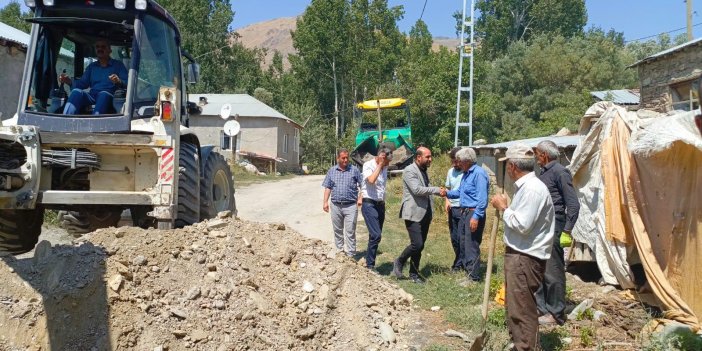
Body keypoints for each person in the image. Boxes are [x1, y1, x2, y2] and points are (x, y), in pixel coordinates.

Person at [490, 143, 555, 351]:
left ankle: (527, 347)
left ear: (512, 166)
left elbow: (522, 225)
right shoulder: (527, 188)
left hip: (525, 257)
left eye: (506, 165)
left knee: (522, 310)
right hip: (520, 255)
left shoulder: (533, 190)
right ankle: (521, 344)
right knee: (516, 306)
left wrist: (504, 208)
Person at [534, 140, 580, 326]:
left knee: (553, 270)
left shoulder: (560, 172)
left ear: (544, 155)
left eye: (537, 154)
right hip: (542, 226)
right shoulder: (545, 172)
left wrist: (567, 230)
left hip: (555, 225)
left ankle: (556, 313)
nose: (535, 157)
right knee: (540, 267)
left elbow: (573, 204)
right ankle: (542, 308)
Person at [392, 146, 446, 284]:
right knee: (417, 244)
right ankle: (400, 260)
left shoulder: (423, 170)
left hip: (425, 213)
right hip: (413, 212)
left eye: (430, 156)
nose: (430, 159)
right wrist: (435, 190)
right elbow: (416, 190)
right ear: (418, 157)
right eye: (427, 157)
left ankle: (414, 274)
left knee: (420, 247)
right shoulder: (410, 170)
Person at [446, 147, 489, 283]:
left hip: (473, 212)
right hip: (464, 211)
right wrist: (445, 193)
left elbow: (482, 199)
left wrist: (476, 217)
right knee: (463, 242)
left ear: (467, 161)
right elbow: (459, 192)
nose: (457, 164)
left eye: (459, 161)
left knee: (471, 244)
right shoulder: (466, 174)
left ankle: (474, 277)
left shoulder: (479, 174)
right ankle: (467, 271)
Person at [59, 39, 128, 115]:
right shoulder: (92, 66)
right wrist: (68, 81)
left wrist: (118, 81)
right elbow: (83, 83)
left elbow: (127, 84)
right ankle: (66, 121)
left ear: (109, 50)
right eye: (97, 47)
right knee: (76, 92)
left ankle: (94, 124)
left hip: (110, 97)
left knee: (103, 94)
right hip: (92, 96)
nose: (100, 49)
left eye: (103, 47)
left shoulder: (118, 65)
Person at [322, 149, 362, 257]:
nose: (345, 160)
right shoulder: (332, 171)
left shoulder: (354, 170)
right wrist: (325, 202)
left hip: (350, 206)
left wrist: (360, 198)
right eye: (343, 158)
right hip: (335, 206)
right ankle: (340, 253)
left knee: (350, 231)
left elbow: (363, 185)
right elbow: (328, 187)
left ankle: (351, 255)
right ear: (338, 158)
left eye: (347, 157)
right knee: (337, 231)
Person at [360, 147, 392, 271]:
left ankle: (369, 264)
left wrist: (384, 165)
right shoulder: (368, 165)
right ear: (380, 156)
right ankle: (370, 264)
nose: (388, 164)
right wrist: (379, 165)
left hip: (380, 205)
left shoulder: (385, 167)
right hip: (369, 203)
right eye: (386, 161)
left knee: (374, 236)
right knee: (376, 234)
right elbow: (372, 180)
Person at [444, 147, 463, 272]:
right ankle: (459, 261)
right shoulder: (451, 171)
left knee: (462, 238)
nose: (454, 164)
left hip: (463, 208)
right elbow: (447, 188)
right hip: (452, 208)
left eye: (456, 161)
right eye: (452, 161)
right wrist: (447, 201)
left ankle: (458, 265)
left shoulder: (467, 172)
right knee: (454, 238)